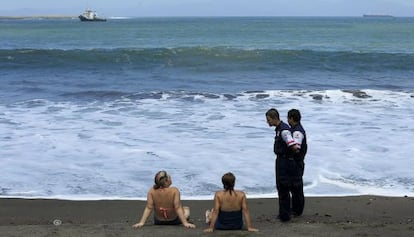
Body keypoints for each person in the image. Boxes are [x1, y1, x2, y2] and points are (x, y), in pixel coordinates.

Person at [265, 108, 301, 222]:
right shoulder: (280, 129)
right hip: (283, 160)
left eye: (268, 119)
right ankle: (284, 213)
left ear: (274, 118)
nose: (267, 122)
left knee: (283, 187)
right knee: (282, 187)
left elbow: (294, 146)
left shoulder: (284, 131)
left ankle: (284, 216)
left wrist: (289, 156)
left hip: (284, 162)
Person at [287, 108, 307, 217]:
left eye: (288, 118)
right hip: (298, 162)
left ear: (291, 118)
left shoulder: (297, 131)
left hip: (296, 162)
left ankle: (297, 210)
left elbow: (297, 147)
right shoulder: (297, 129)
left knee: (296, 186)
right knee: (295, 186)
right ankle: (296, 208)